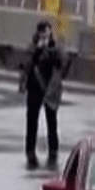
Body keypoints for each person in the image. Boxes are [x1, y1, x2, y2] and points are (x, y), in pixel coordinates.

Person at [20, 21, 65, 170]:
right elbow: (26, 64)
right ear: (38, 33)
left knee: (52, 121)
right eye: (43, 32)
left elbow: (62, 64)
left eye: (48, 32)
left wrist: (51, 51)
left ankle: (53, 151)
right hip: (34, 88)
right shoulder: (32, 47)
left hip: (50, 89)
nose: (46, 35)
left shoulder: (56, 47)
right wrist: (38, 51)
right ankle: (30, 152)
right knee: (32, 121)